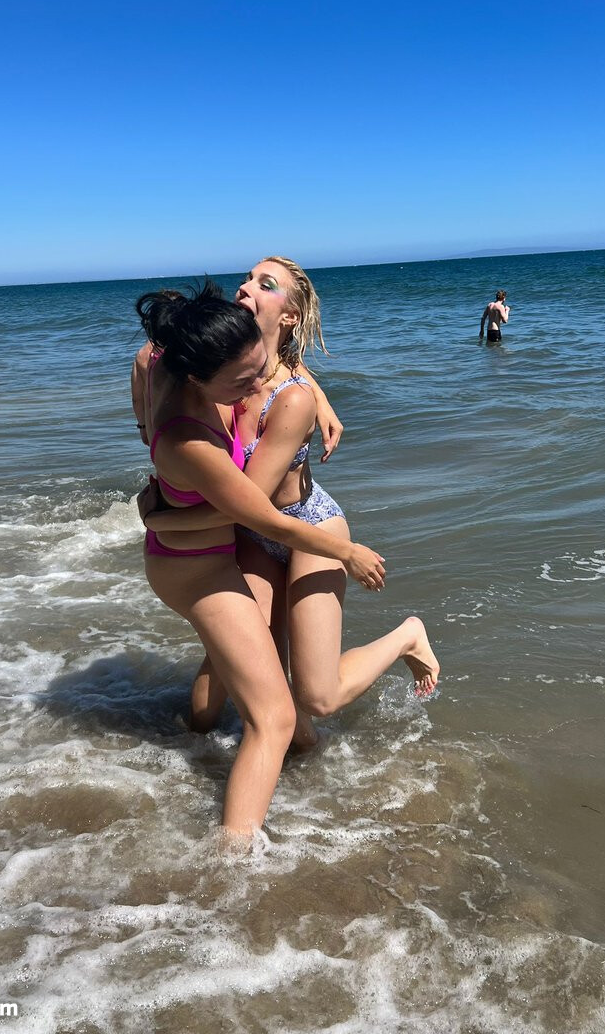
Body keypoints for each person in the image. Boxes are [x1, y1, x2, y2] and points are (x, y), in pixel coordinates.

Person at [134, 279, 399, 841]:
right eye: (243, 381)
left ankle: (192, 744)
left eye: (261, 368)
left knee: (257, 691)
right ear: (196, 375)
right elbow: (262, 517)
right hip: (199, 571)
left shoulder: (174, 365)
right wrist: (347, 552)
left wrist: (316, 396)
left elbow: (271, 361)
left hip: (197, 553)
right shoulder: (190, 443)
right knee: (274, 717)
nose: (258, 384)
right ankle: (232, 864)